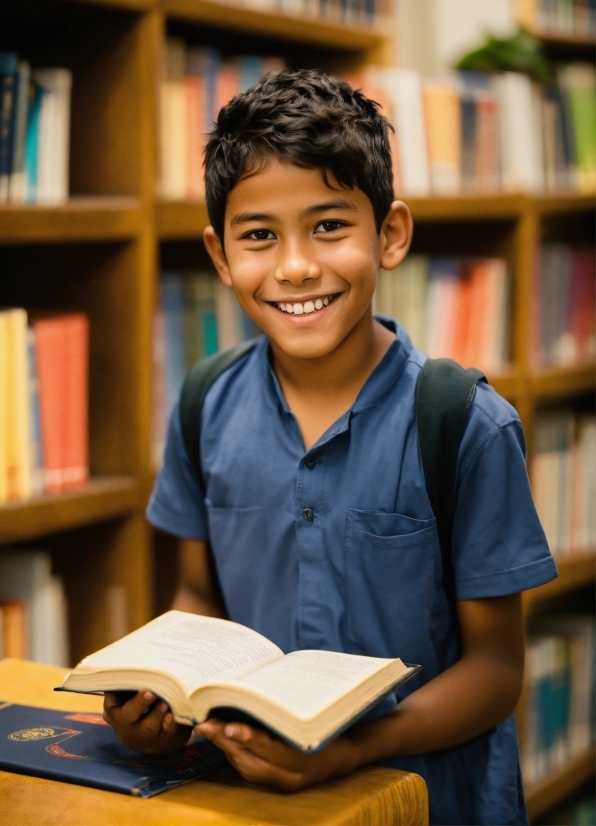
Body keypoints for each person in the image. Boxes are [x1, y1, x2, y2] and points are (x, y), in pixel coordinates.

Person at [103, 68, 557, 824]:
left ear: (390, 234)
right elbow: (198, 596)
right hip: (249, 798)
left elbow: (496, 669)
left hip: (427, 801)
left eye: (329, 226)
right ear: (219, 256)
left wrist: (350, 749)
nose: (294, 267)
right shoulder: (203, 405)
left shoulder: (464, 423)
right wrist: (159, 699)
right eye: (259, 237)